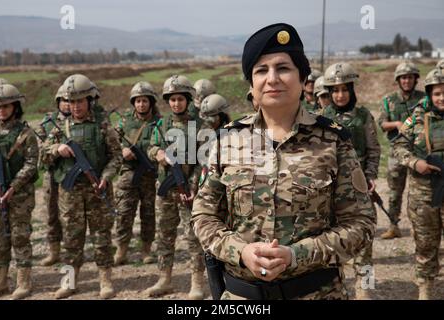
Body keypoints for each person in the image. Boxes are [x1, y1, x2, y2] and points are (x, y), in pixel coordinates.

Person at [191, 23, 376, 300]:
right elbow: (203, 216)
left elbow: (361, 223)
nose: (272, 78)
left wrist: (296, 255)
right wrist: (240, 251)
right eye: (261, 70)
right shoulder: (226, 142)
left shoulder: (334, 141)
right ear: (251, 85)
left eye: (284, 68)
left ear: (303, 80)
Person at [41, 74, 121, 299]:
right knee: (72, 238)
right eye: (72, 102)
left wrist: (106, 176)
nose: (75, 106)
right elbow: (42, 156)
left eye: (80, 101)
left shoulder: (103, 126)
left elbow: (117, 157)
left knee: (101, 237)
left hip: (98, 190)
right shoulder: (60, 128)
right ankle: (69, 280)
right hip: (70, 193)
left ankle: (105, 280)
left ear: (89, 101)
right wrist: (56, 149)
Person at [143, 75, 205, 300]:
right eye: (172, 99)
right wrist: (157, 153)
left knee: (193, 236)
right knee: (165, 233)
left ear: (188, 99)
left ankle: (197, 282)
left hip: (189, 189)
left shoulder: (199, 125)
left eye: (180, 99)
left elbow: (204, 159)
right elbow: (151, 145)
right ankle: (164, 278)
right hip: (166, 188)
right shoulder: (162, 123)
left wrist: (193, 184)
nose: (176, 103)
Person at [322, 62, 380, 299]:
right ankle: (334, 288)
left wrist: (371, 176)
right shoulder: (321, 118)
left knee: (365, 242)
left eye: (345, 89)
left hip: (360, 188)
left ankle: (365, 288)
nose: (340, 94)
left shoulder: (364, 115)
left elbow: (374, 149)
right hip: (331, 190)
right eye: (335, 90)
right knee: (331, 240)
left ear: (352, 90)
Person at [393, 68, 444, 300]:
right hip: (424, 192)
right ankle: (425, 289)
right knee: (425, 244)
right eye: (437, 94)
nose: (442, 98)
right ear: (430, 95)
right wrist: (415, 162)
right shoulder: (417, 117)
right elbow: (397, 146)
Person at [0, 84, 39, 299]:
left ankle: (23, 281)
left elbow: (31, 164)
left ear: (15, 107)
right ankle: (0, 281)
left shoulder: (25, 133)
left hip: (19, 195)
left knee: (20, 237)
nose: (1, 111)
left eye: (5, 106)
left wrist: (13, 187)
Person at [113, 81, 160, 266]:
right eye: (138, 101)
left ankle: (146, 250)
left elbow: (163, 145)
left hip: (149, 174)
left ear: (151, 102)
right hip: (128, 174)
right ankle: (121, 250)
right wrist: (123, 151)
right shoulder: (125, 121)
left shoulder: (159, 123)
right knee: (124, 212)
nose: (141, 104)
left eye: (144, 101)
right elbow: (112, 144)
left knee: (148, 214)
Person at [377, 62, 425, 239]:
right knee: (394, 192)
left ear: (415, 79)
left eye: (410, 77)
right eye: (403, 77)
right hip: (396, 153)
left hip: (419, 153)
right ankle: (394, 225)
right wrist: (397, 124)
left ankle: (418, 227)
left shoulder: (424, 98)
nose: (407, 81)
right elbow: (382, 123)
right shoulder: (389, 100)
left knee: (417, 194)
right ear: (398, 80)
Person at [37, 85, 71, 266]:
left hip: (70, 174)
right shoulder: (48, 122)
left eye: (70, 100)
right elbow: (40, 152)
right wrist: (55, 150)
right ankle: (54, 251)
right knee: (52, 214)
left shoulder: (79, 121)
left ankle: (70, 251)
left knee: (70, 216)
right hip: (52, 173)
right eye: (64, 100)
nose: (67, 104)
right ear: (58, 102)